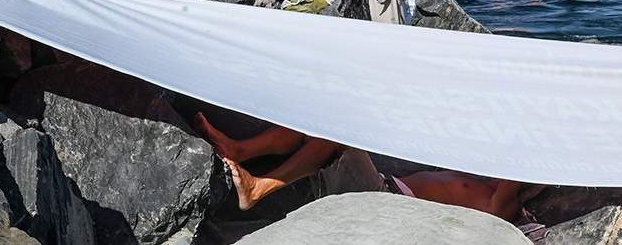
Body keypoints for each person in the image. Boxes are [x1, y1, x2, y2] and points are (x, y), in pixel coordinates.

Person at [194, 113, 533, 222]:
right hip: (382, 186)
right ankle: (241, 149)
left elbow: (499, 207)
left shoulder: (505, 202)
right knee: (319, 118)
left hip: (386, 202)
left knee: (338, 133)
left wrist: (520, 167)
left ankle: (259, 188)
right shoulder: (476, 171)